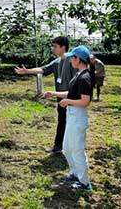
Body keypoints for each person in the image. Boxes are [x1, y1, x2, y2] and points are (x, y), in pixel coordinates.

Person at [42, 45, 93, 190]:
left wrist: (68, 102)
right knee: (67, 147)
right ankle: (75, 173)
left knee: (77, 149)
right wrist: (54, 94)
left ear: (78, 59)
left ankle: (84, 182)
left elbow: (85, 101)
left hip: (78, 116)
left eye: (72, 58)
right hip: (72, 115)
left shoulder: (84, 78)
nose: (70, 60)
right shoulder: (78, 74)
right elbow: (71, 93)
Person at [15, 36, 76, 153]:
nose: (53, 49)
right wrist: (27, 71)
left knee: (71, 124)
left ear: (63, 47)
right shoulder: (57, 62)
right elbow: (43, 69)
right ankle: (58, 146)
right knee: (62, 121)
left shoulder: (72, 61)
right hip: (60, 98)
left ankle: (72, 149)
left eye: (55, 46)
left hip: (72, 99)